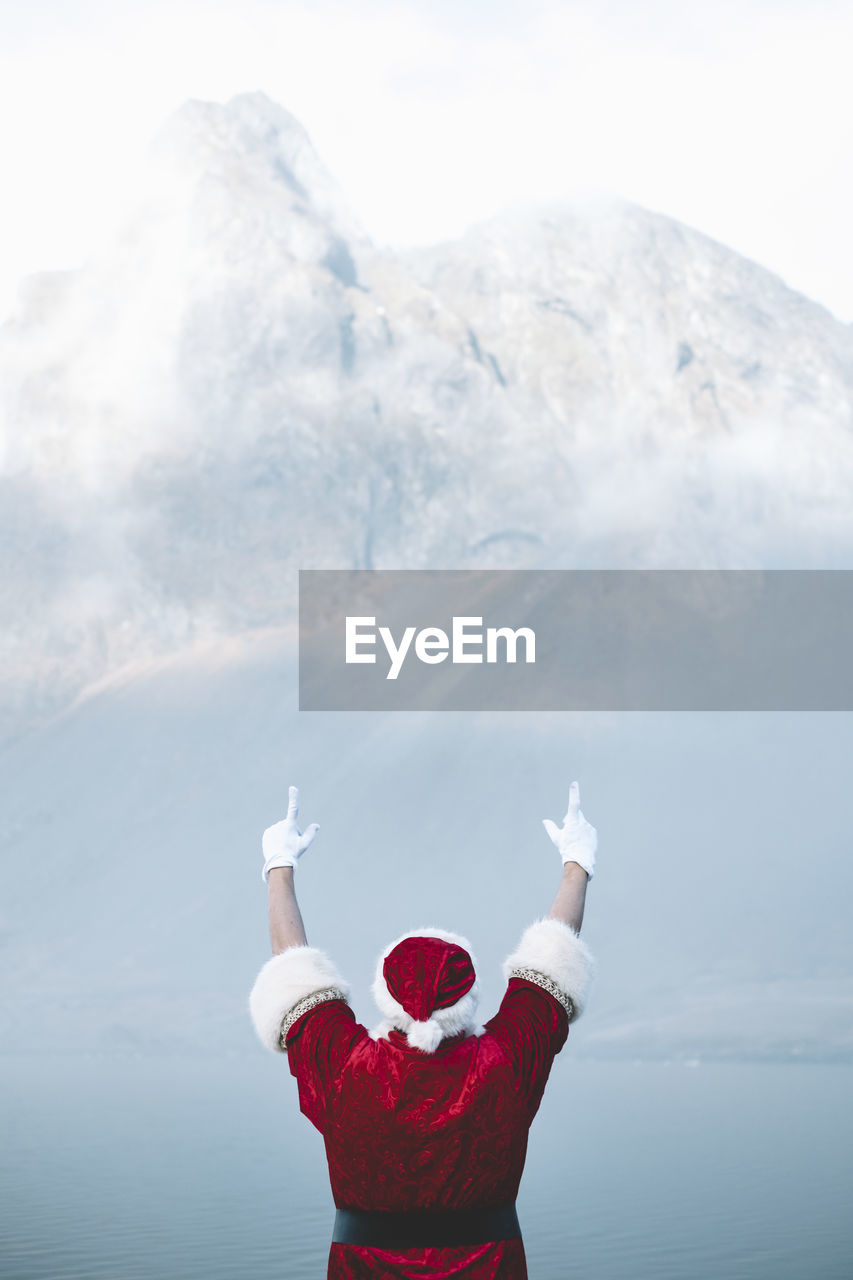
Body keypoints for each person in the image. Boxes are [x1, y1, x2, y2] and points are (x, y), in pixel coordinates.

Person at [249, 781, 597, 1280]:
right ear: (468, 996)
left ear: (385, 997)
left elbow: (295, 968)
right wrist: (577, 862)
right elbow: (552, 962)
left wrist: (278, 865)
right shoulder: (505, 1061)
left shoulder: (346, 1067)